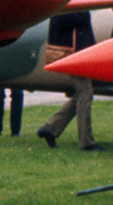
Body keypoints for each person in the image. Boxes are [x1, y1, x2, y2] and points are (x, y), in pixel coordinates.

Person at [37, 10, 100, 150]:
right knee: (85, 93)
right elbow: (64, 20)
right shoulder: (69, 1)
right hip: (75, 53)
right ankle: (86, 142)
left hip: (76, 52)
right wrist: (84, 13)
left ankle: (50, 129)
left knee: (81, 94)